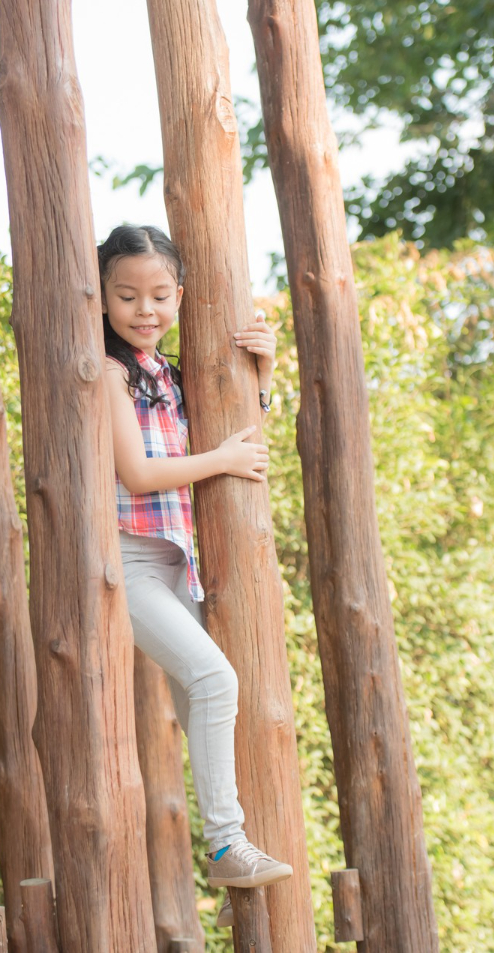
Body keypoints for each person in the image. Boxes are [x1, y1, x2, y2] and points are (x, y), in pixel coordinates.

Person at [99, 223, 292, 928]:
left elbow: (243, 446)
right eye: (126, 296)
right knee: (217, 680)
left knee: (203, 708)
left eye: (158, 295)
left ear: (179, 295)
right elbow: (140, 472)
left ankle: (231, 853)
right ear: (103, 298)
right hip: (128, 561)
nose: (144, 310)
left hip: (177, 563)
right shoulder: (112, 372)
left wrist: (260, 381)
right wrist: (219, 459)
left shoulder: (169, 376)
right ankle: (228, 844)